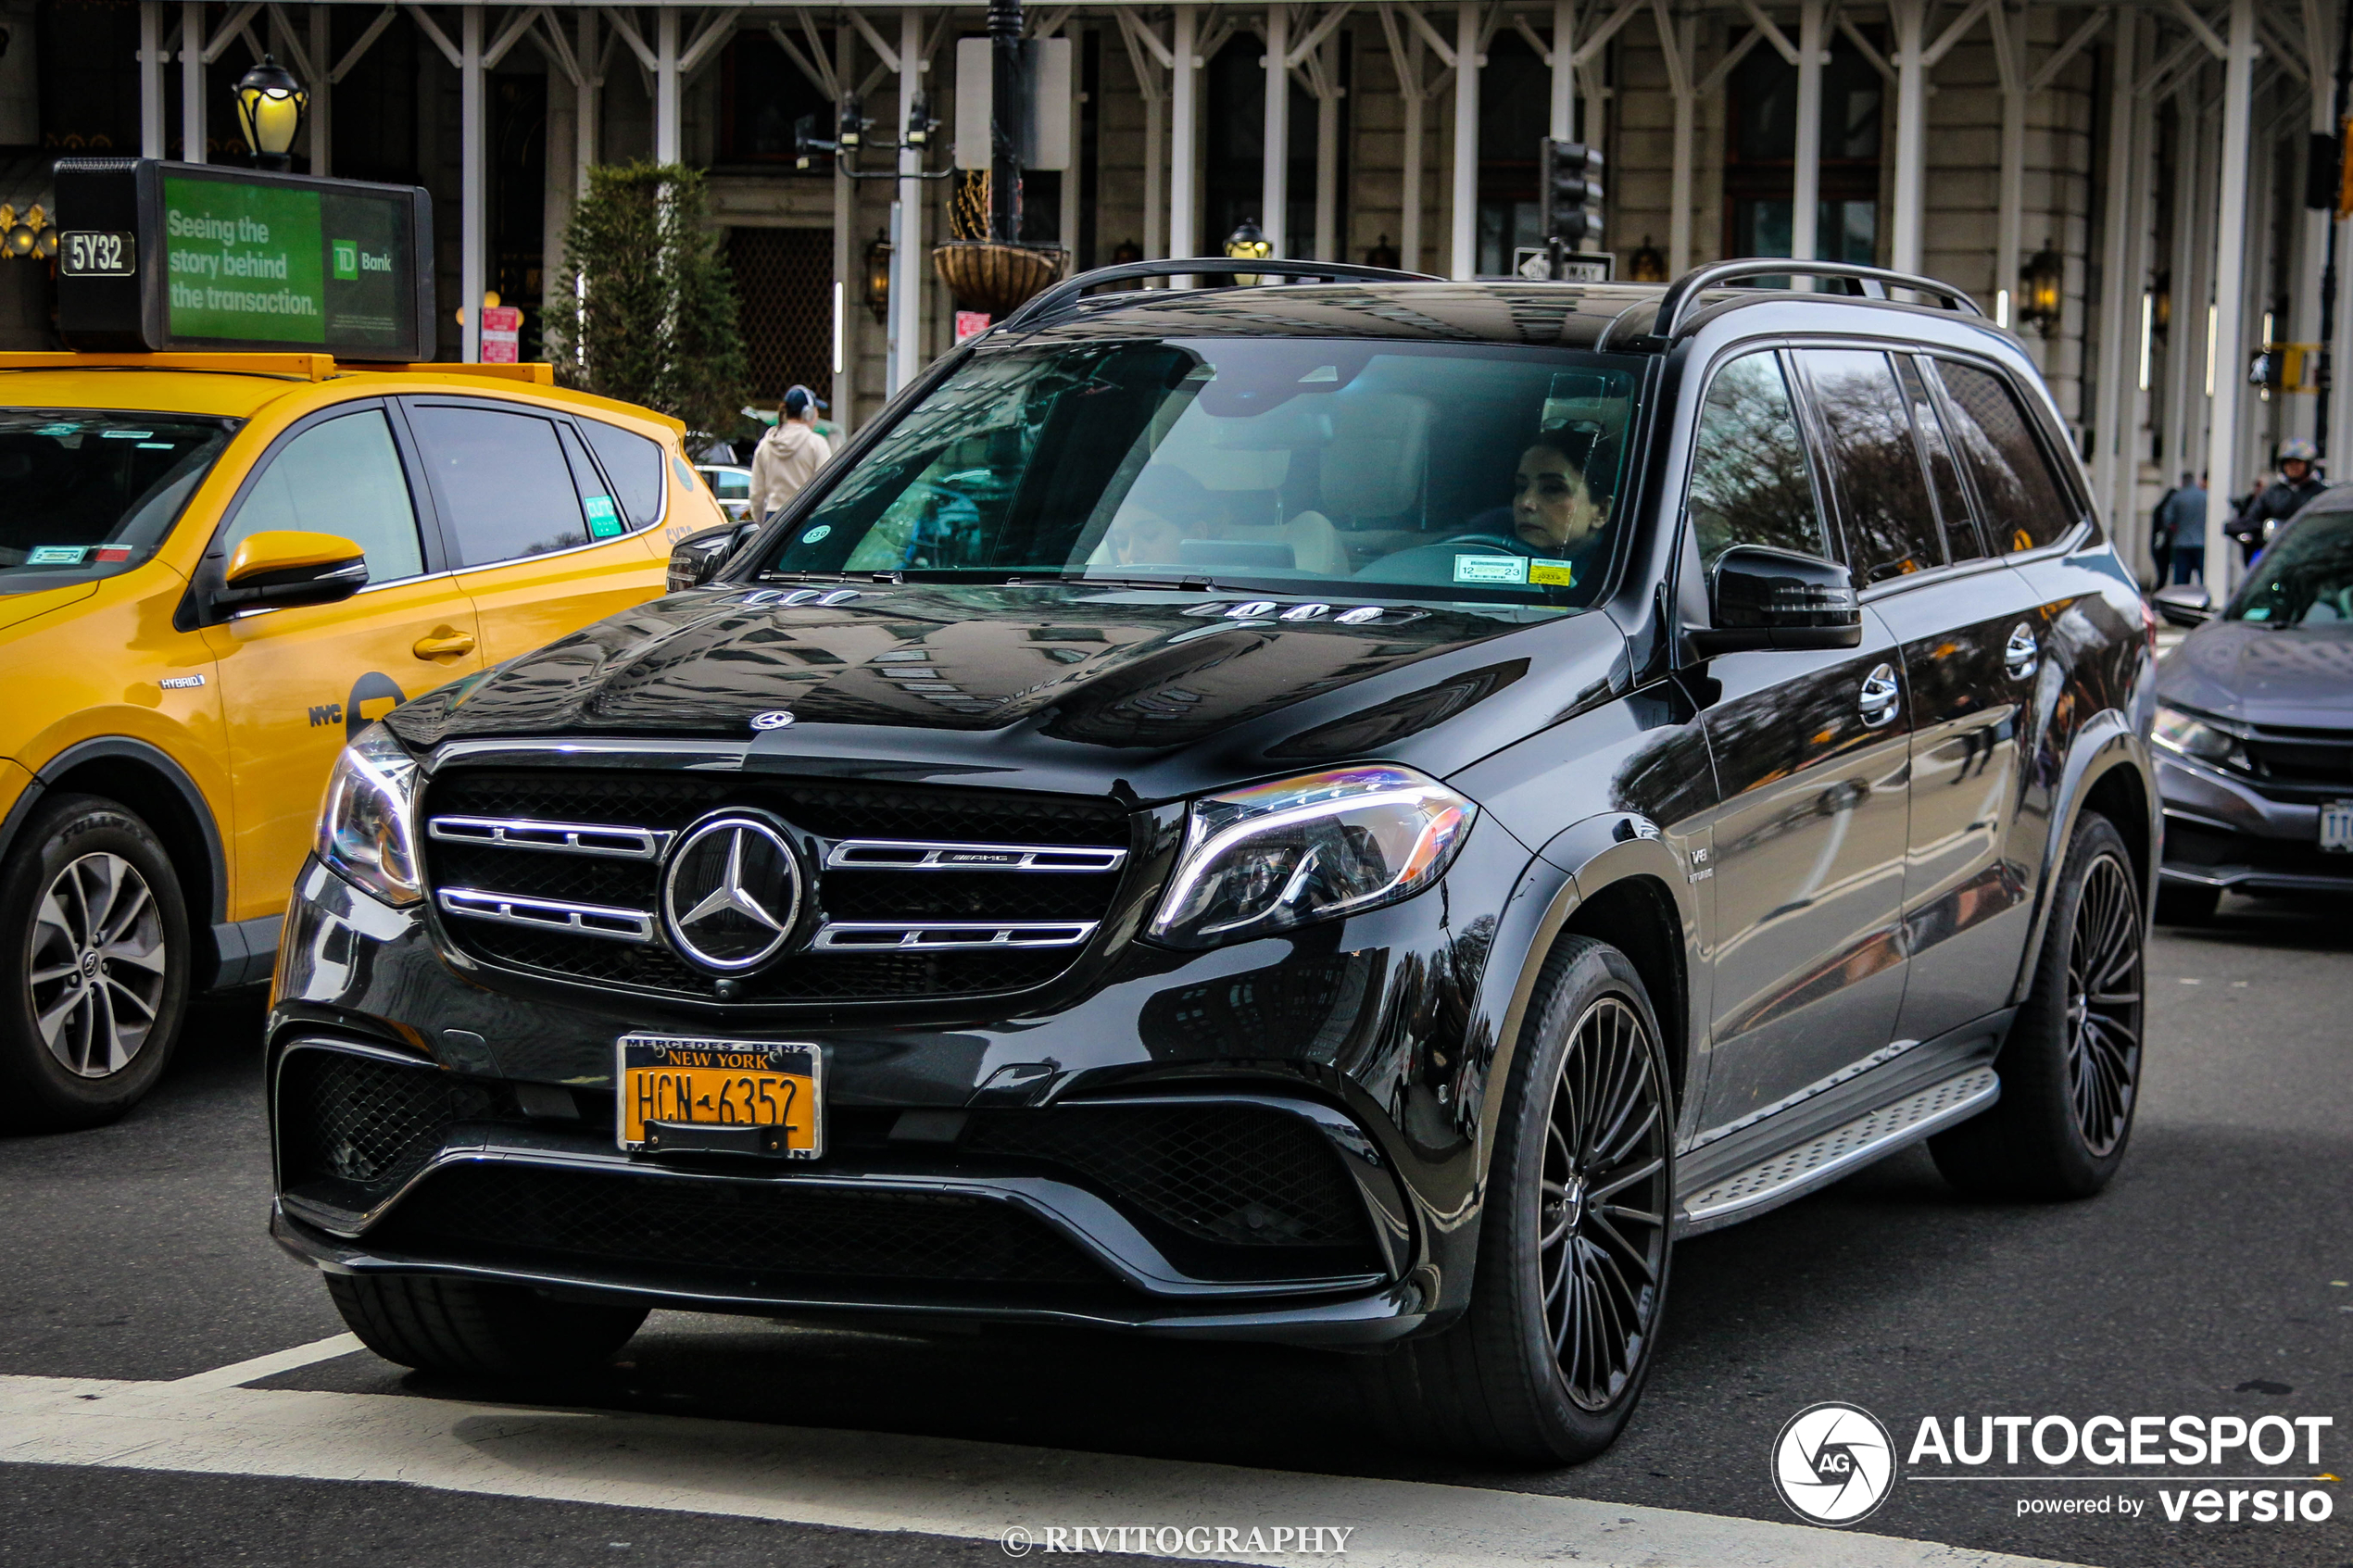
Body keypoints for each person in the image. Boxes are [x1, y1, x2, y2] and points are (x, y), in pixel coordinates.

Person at [2230, 438, 2324, 564]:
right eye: (2289, 463)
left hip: (2311, 554)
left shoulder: (2321, 493)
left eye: (2298, 463)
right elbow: (2251, 519)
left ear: (2309, 464)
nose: (2293, 467)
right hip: (2276, 554)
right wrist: (2258, 531)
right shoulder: (2271, 493)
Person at [749, 385, 835, 519]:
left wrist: (761, 524)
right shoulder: (817, 444)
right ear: (809, 413)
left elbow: (756, 494)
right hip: (805, 516)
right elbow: (827, 485)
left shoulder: (765, 445)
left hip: (773, 518)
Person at [2158, 471, 2208, 584]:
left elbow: (2167, 518)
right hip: (2201, 542)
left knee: (2181, 578)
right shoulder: (2204, 496)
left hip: (2181, 542)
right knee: (2204, 577)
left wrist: (2173, 529)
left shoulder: (2177, 497)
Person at [2148, 470, 2186, 587]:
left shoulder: (2158, 510)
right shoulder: (2166, 514)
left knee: (2162, 574)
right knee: (2164, 575)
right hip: (2165, 547)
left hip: (2158, 547)